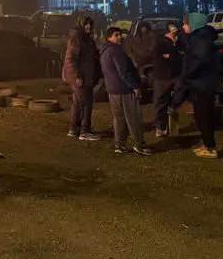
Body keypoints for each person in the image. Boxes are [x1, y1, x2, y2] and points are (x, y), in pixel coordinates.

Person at [100, 27, 153, 155]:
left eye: (120, 35)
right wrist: (134, 86)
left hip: (113, 90)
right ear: (109, 37)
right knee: (133, 118)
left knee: (119, 119)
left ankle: (120, 144)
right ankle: (140, 145)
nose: (120, 37)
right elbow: (123, 71)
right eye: (116, 35)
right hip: (124, 89)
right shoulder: (115, 51)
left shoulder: (105, 51)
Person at [177, 25, 220, 159]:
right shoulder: (204, 41)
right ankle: (207, 145)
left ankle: (210, 147)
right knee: (202, 117)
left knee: (203, 118)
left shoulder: (202, 42)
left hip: (202, 85)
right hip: (203, 85)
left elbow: (199, 62)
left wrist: (187, 75)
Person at [62, 15, 101, 141]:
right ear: (81, 25)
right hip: (81, 78)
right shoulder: (77, 39)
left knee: (78, 103)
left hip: (86, 76)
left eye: (90, 23)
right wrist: (77, 75)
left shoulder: (86, 39)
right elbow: (70, 59)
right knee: (86, 104)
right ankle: (85, 131)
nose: (88, 26)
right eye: (86, 24)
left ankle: (74, 129)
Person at [150, 22, 182, 137]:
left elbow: (182, 54)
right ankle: (160, 127)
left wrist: (173, 54)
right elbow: (156, 54)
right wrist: (171, 55)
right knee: (160, 102)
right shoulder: (160, 41)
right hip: (162, 76)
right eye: (171, 29)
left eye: (175, 28)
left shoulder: (180, 41)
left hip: (177, 74)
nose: (174, 30)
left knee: (182, 90)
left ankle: (172, 106)